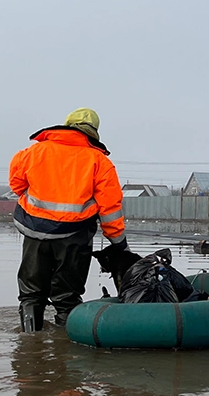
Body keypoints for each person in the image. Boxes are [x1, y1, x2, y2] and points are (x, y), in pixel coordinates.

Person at [9, 108, 128, 332]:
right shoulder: (99, 162)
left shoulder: (33, 153)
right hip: (75, 236)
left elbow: (16, 184)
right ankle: (66, 347)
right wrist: (119, 243)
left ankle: (29, 346)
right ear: (93, 133)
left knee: (31, 294)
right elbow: (110, 208)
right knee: (67, 296)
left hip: (35, 232)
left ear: (66, 126)